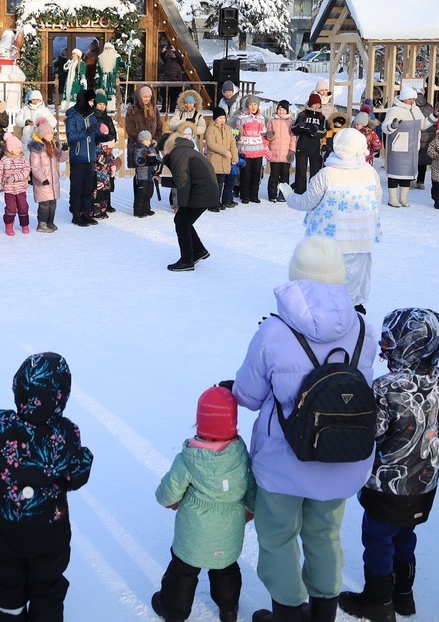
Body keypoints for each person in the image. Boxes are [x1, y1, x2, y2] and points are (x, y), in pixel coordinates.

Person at [233, 237, 375, 622]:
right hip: (342, 457)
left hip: (283, 463)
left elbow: (247, 395)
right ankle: (324, 612)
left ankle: (289, 614)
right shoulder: (363, 328)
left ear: (295, 277)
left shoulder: (274, 332)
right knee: (325, 534)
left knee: (277, 538)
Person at [338, 309, 439, 622]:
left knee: (377, 539)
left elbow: (372, 433)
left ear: (411, 346)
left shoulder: (386, 388)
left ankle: (377, 601)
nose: (385, 349)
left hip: (388, 486)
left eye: (391, 342)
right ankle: (403, 595)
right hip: (425, 484)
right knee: (405, 534)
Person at [0, 352, 94, 622]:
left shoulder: (2, 426)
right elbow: (76, 477)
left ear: (18, 390)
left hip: (3, 530)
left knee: (6, 583)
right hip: (49, 533)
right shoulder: (67, 433)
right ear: (63, 396)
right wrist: (83, 459)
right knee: (47, 586)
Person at [151, 385, 255, 622]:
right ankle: (228, 609)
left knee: (182, 572)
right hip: (228, 532)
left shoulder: (189, 457)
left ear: (199, 423)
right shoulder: (240, 456)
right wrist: (251, 509)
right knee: (226, 569)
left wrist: (169, 501)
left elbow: (168, 492)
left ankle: (174, 611)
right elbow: (252, 487)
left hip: (192, 536)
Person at [279, 129, 382, 310]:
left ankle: (327, 307)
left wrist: (289, 196)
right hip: (362, 235)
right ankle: (355, 306)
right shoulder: (370, 172)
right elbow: (377, 201)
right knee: (357, 272)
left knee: (326, 273)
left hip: (330, 238)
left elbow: (306, 202)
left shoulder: (327, 174)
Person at [164, 125, 219, 272]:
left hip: (201, 192)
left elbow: (183, 181)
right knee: (183, 222)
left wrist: (181, 205)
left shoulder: (178, 154)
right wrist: (161, 180)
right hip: (204, 191)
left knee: (182, 222)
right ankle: (199, 250)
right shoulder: (184, 151)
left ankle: (187, 260)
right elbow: (182, 178)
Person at [65, 89, 103, 227]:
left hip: (90, 157)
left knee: (89, 187)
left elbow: (94, 136)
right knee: (77, 188)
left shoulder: (92, 116)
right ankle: (76, 214)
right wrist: (86, 132)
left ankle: (86, 213)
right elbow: (71, 138)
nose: (93, 103)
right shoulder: (73, 117)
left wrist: (104, 136)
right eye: (91, 100)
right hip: (78, 157)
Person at [382, 87, 424, 208]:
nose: (412, 101)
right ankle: (392, 198)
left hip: (412, 147)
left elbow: (423, 124)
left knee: (407, 174)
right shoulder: (394, 110)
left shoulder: (416, 110)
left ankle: (403, 198)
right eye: (410, 98)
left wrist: (435, 117)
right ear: (404, 98)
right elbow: (385, 128)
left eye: (413, 98)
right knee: (395, 174)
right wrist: (392, 126)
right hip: (398, 148)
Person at [0, 132, 32, 235]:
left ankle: (25, 225)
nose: (18, 150)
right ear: (10, 149)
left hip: (21, 188)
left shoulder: (23, 159)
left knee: (23, 207)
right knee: (10, 208)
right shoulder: (4, 160)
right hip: (9, 190)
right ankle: (9, 225)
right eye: (16, 148)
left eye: (19, 148)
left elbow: (26, 170)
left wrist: (15, 177)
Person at [235, 96, 269, 204]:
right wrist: (238, 136)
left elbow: (263, 134)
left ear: (258, 106)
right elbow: (235, 132)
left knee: (256, 175)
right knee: (245, 175)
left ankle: (254, 195)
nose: (253, 107)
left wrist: (269, 136)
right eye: (250, 105)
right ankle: (244, 196)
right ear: (247, 106)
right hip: (245, 150)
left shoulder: (261, 118)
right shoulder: (241, 118)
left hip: (258, 151)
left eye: (255, 104)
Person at [29, 121, 61, 232]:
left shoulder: (53, 145)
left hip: (53, 181)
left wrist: (64, 151)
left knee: (53, 202)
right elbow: (35, 167)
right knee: (44, 203)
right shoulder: (37, 148)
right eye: (48, 134)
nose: (51, 136)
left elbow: (60, 158)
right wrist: (43, 178)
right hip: (43, 181)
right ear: (42, 135)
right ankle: (42, 224)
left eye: (52, 134)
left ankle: (50, 222)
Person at [292, 93, 327, 195]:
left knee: (315, 172)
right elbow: (294, 130)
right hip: (302, 146)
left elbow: (323, 132)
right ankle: (300, 192)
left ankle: (313, 192)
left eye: (318, 104)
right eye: (314, 103)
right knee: (300, 171)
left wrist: (315, 133)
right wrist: (300, 126)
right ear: (310, 104)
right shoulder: (302, 114)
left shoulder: (322, 117)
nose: (316, 106)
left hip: (315, 148)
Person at [205, 107, 239, 211]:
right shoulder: (211, 129)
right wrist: (225, 152)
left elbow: (232, 143)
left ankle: (218, 202)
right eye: (220, 118)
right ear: (215, 118)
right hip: (215, 160)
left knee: (221, 183)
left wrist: (234, 156)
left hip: (225, 161)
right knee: (214, 184)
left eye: (224, 118)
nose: (222, 120)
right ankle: (212, 203)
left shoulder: (227, 129)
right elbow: (211, 144)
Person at [125, 85, 163, 174]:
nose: (147, 99)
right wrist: (141, 140)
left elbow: (159, 127)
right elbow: (130, 128)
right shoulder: (132, 110)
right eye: (144, 97)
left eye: (149, 96)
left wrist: (155, 140)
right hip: (137, 147)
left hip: (152, 147)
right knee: (140, 177)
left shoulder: (154, 109)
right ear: (139, 97)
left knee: (152, 176)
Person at [264, 101, 295, 203]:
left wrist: (292, 150)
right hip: (275, 154)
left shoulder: (290, 122)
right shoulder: (272, 121)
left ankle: (283, 194)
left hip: (286, 154)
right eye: (279, 109)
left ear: (287, 111)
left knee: (285, 176)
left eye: (283, 110)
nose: (281, 112)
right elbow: (268, 137)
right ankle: (272, 195)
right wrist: (269, 135)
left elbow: (293, 137)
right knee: (274, 175)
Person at [130, 130, 161, 218]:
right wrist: (146, 160)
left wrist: (156, 161)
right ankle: (138, 211)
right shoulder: (139, 150)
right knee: (141, 194)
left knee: (149, 193)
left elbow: (158, 158)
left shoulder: (152, 149)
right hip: (142, 176)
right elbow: (138, 161)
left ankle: (146, 209)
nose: (148, 141)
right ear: (141, 140)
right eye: (146, 140)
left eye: (149, 140)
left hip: (150, 175)